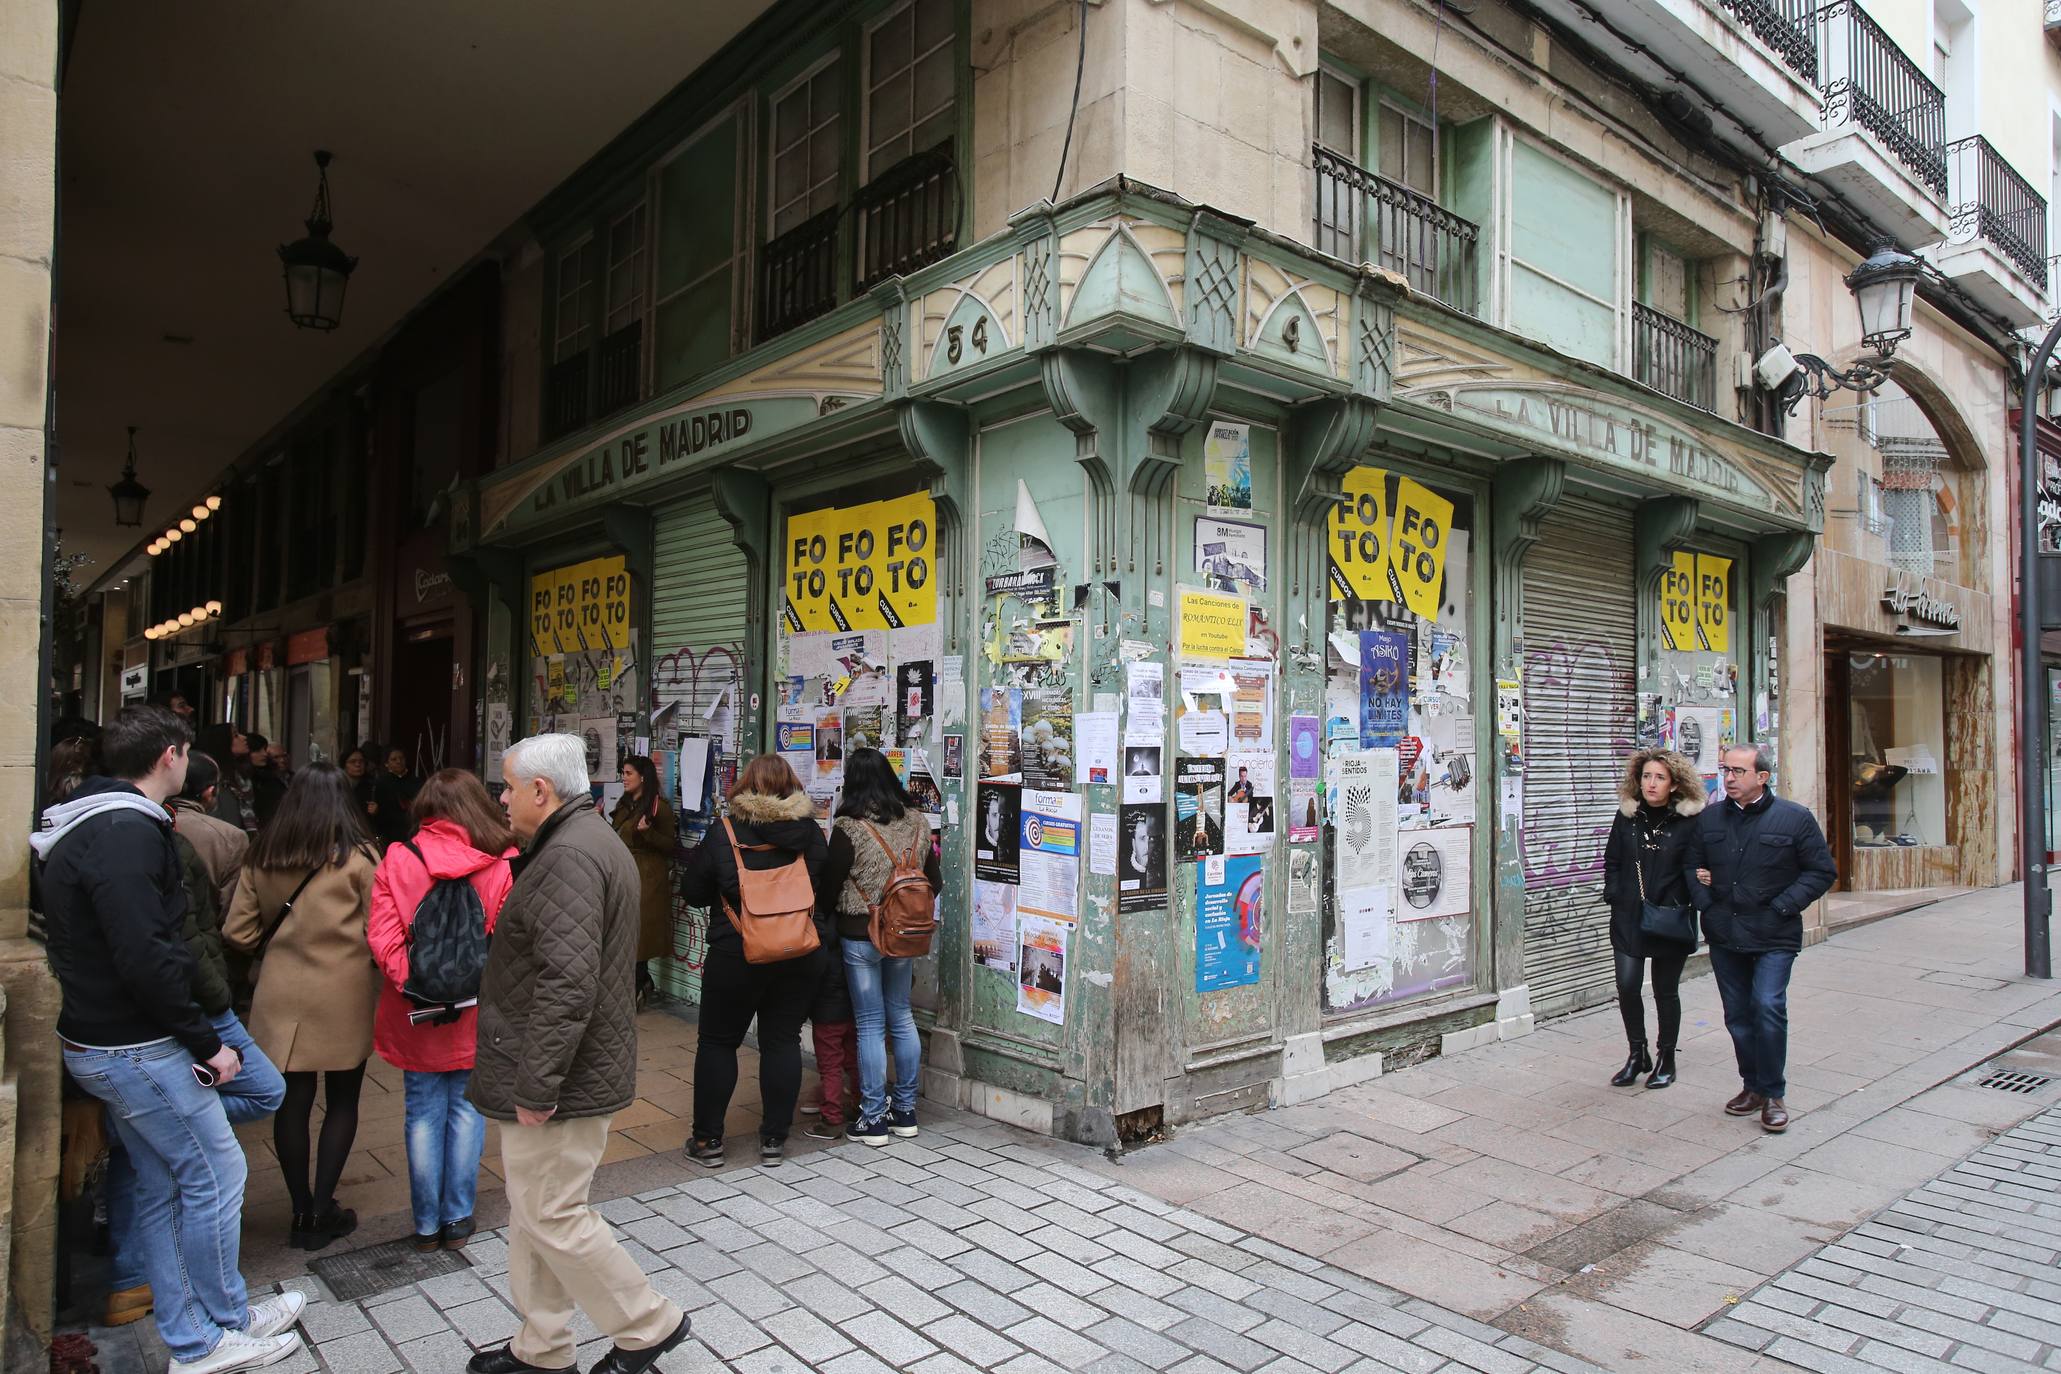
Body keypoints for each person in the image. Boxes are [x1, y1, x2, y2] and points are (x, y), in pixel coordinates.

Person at [35, 705, 306, 1374]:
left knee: (161, 1182)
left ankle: (212, 1324)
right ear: (169, 757)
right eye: (185, 752)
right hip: (137, 1044)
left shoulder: (95, 823)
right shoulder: (126, 833)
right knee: (217, 1172)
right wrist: (203, 1042)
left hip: (110, 1041)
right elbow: (144, 952)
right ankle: (209, 1335)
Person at [467, 734, 689, 1374]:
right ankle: (542, 1348)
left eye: (508, 787)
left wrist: (536, 1085)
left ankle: (648, 1324)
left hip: (561, 1077)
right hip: (567, 1068)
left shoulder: (569, 854)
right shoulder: (585, 839)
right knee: (537, 1211)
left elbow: (568, 982)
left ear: (542, 790)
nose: (502, 799)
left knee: (552, 1212)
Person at [106, 787, 288, 1329]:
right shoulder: (188, 839)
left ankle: (137, 1287)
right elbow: (187, 939)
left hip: (132, 1028)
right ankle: (216, 1322)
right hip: (187, 1011)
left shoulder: (86, 842)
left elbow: (230, 928)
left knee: (147, 1163)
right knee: (204, 1169)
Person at [223, 763, 381, 1250]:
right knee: (342, 1100)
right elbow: (382, 927)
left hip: (279, 994)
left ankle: (298, 1209)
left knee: (291, 1105)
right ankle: (321, 1209)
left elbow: (238, 931)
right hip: (343, 990)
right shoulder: (357, 857)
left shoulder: (263, 855)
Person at [367, 769, 515, 1253]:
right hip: (474, 1010)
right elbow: (507, 942)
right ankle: (458, 1217)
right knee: (468, 1111)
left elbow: (383, 938)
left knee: (422, 1114)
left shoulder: (398, 858)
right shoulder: (498, 864)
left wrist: (415, 982)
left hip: (416, 1013)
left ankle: (426, 1223)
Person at [676, 755, 830, 1168]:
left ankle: (708, 1142)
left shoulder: (723, 833)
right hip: (797, 954)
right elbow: (826, 887)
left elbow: (692, 890)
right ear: (790, 787)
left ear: (746, 786)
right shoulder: (811, 834)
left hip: (735, 954)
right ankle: (774, 1140)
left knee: (717, 1042)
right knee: (781, 1041)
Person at [1685, 743, 1837, 1135]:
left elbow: (1821, 872)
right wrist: (1706, 903)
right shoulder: (1710, 819)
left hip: (1773, 933)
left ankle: (1773, 1094)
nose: (1729, 778)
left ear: (1762, 777)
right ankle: (1751, 1086)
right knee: (1737, 1015)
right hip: (1725, 932)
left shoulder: (1794, 819)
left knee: (1767, 1006)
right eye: (1725, 770)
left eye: (1738, 771)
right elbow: (1691, 865)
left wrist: (1784, 906)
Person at [819, 748, 940, 1145]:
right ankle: (905, 1111)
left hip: (861, 935)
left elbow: (829, 885)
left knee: (870, 1024)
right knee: (901, 1016)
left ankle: (873, 1117)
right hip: (905, 936)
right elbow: (934, 882)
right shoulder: (919, 823)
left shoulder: (849, 828)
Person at [1600, 749, 1702, 1090]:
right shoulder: (1627, 816)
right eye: (1646, 776)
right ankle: (1637, 1053)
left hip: (1669, 917)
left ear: (1674, 784)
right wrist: (1614, 893)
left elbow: (1698, 868)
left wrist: (1691, 900)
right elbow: (1612, 859)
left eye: (1659, 777)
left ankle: (1666, 1057)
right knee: (1627, 986)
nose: (1651, 784)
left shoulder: (1689, 821)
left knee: (1665, 991)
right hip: (1629, 914)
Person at [611, 756, 676, 1008]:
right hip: (625, 871)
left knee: (640, 935)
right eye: (623, 772)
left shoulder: (660, 808)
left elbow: (670, 845)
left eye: (629, 773)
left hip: (647, 877)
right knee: (625, 930)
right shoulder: (626, 804)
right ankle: (642, 981)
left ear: (643, 777)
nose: (624, 777)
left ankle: (637, 985)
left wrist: (647, 832)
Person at [171, 752, 249, 917]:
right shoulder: (231, 838)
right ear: (210, 791)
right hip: (206, 934)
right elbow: (232, 910)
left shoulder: (143, 821)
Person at [373, 746, 422, 849]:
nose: (398, 761)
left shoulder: (416, 781)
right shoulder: (381, 783)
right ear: (387, 763)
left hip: (412, 828)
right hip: (390, 831)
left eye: (401, 758)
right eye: (394, 759)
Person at [246, 734, 286, 829]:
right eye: (257, 750)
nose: (264, 754)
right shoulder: (242, 781)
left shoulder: (271, 779)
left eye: (264, 749)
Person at [343, 745, 378, 826]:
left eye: (361, 761)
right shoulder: (338, 785)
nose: (358, 765)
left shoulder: (373, 786)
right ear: (344, 765)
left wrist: (376, 811)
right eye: (353, 761)